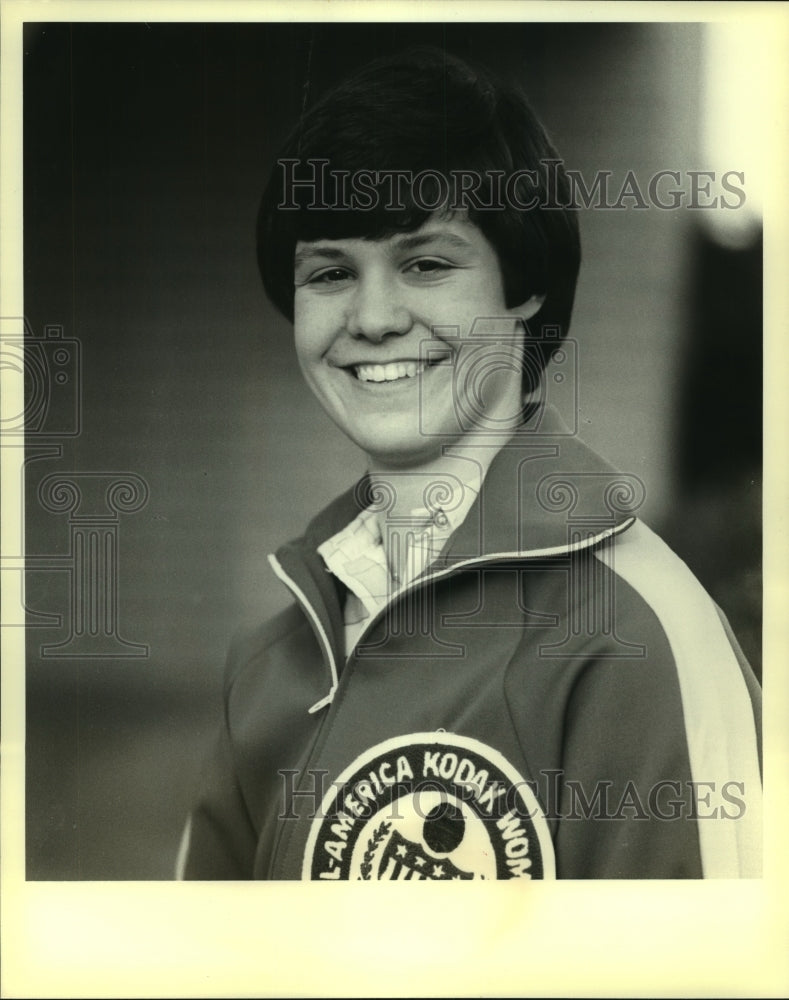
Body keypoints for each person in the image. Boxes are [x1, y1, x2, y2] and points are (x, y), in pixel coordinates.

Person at [177, 47, 761, 880]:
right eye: (332, 272)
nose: (373, 318)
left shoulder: (637, 636)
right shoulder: (274, 658)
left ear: (522, 287)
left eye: (425, 263)